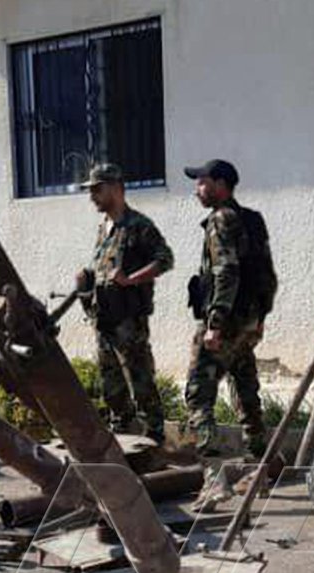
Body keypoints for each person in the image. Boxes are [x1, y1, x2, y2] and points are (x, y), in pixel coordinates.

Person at [183, 158, 276, 458]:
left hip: (226, 323)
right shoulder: (252, 219)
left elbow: (227, 271)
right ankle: (263, 462)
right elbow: (267, 275)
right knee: (246, 389)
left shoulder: (221, 219)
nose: (197, 189)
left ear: (221, 185)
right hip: (248, 322)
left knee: (199, 394)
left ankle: (213, 477)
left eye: (202, 182)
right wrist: (260, 317)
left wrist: (215, 324)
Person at [73, 163, 173, 440]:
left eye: (97, 189)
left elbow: (165, 259)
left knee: (140, 381)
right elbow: (104, 267)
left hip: (129, 320)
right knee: (111, 385)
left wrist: (131, 279)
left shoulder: (139, 226)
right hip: (103, 318)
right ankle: (121, 435)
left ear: (116, 188)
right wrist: (86, 278)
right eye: (90, 191)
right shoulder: (104, 227)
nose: (92, 196)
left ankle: (154, 437)